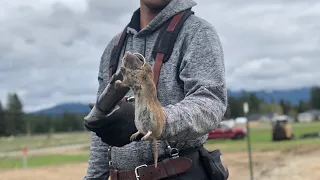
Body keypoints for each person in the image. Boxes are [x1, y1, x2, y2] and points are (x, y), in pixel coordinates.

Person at [83, 0, 228, 179]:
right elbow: (102, 133)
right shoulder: (114, 47)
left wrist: (155, 121)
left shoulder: (197, 32)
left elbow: (210, 103)